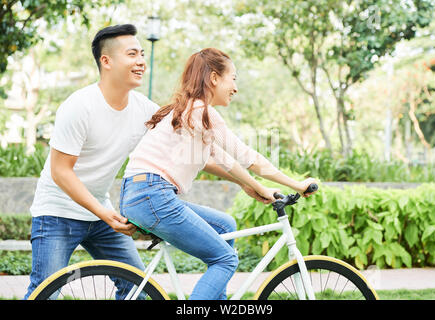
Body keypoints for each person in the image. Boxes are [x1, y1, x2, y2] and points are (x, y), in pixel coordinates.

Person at [23, 24, 263, 300]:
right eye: (132, 54)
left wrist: (243, 182)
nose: (141, 61)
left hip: (102, 213)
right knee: (44, 292)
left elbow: (191, 154)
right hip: (57, 213)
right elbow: (60, 172)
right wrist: (103, 213)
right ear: (107, 61)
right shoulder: (79, 106)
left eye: (142, 54)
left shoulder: (144, 110)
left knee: (136, 290)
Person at [120, 47, 318, 300]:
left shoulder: (188, 111)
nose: (235, 87)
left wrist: (251, 186)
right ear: (214, 78)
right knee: (225, 260)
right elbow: (250, 159)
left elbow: (225, 162)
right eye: (233, 78)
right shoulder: (202, 112)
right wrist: (298, 185)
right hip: (153, 196)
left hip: (142, 194)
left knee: (225, 226)